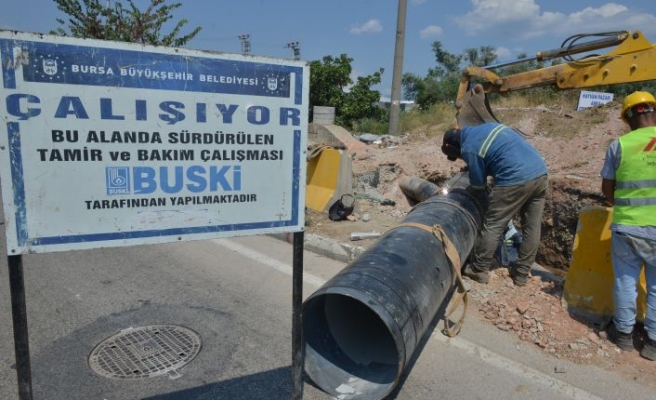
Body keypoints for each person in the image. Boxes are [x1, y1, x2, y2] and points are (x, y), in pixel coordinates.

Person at [441, 122, 548, 286]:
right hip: (540, 173)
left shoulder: (469, 147)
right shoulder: (486, 127)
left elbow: (478, 187)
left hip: (515, 179)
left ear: (456, 147)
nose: (462, 158)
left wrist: (480, 200)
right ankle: (521, 274)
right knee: (532, 227)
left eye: (458, 155)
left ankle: (478, 269)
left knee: (494, 224)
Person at [600, 91, 656, 360]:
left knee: (625, 282)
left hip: (628, 226)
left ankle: (623, 336)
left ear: (630, 116)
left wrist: (620, 203)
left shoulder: (619, 145)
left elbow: (607, 188)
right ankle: (653, 344)